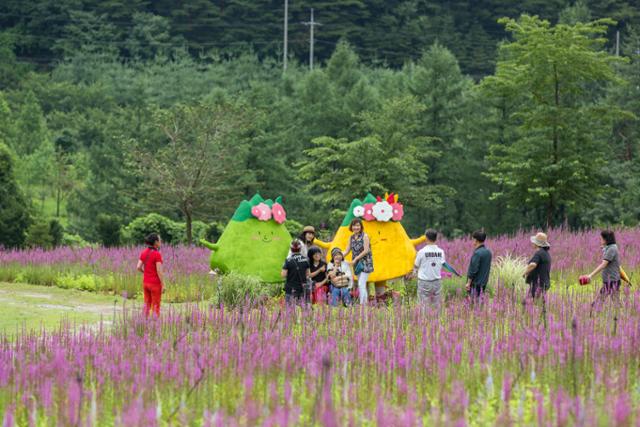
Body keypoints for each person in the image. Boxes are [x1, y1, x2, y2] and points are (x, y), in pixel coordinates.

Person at [584, 230, 622, 301]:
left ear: (606, 239)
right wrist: (604, 248)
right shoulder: (610, 247)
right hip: (610, 280)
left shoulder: (612, 249)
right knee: (616, 302)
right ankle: (621, 311)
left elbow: (603, 265)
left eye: (601, 239)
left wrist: (590, 275)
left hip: (612, 281)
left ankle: (593, 310)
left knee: (598, 302)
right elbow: (607, 251)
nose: (600, 240)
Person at [412, 229, 446, 308]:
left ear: (426, 238)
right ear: (436, 239)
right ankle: (436, 319)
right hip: (437, 281)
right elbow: (442, 264)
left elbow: (416, 265)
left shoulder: (422, 252)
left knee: (423, 305)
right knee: (437, 304)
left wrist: (413, 274)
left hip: (424, 281)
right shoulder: (441, 252)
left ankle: (424, 320)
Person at [344, 218, 374, 305]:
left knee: (361, 283)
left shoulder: (365, 236)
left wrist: (355, 259)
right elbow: (347, 250)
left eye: (358, 225)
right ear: (351, 227)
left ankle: (362, 305)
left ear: (361, 227)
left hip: (365, 263)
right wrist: (338, 257)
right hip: (356, 264)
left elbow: (366, 250)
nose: (356, 227)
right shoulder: (351, 237)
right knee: (362, 284)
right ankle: (365, 303)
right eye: (354, 225)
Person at [136, 233, 164, 317]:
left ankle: (144, 323)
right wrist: (163, 283)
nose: (161, 241)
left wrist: (146, 272)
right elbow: (159, 270)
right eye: (159, 240)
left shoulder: (144, 252)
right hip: (155, 284)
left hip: (146, 283)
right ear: (156, 242)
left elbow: (138, 267)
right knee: (156, 306)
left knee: (147, 305)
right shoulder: (157, 254)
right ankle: (155, 326)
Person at [281, 239, 310, 304]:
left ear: (291, 249)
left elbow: (283, 275)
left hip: (290, 289)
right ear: (300, 249)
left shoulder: (288, 260)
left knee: (290, 309)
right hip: (302, 288)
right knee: (303, 309)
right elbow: (308, 274)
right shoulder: (305, 260)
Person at [523, 232, 552, 299]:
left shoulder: (539, 253)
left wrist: (524, 273)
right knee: (540, 305)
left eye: (534, 242)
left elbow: (533, 264)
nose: (532, 243)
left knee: (528, 304)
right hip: (544, 284)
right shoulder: (546, 254)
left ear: (537, 244)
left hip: (537, 285)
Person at [465, 230, 492, 299]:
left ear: (476, 240)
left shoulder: (477, 253)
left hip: (475, 284)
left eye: (473, 239)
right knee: (479, 303)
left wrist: (468, 283)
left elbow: (473, 270)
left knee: (473, 304)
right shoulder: (488, 252)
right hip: (484, 283)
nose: (472, 240)